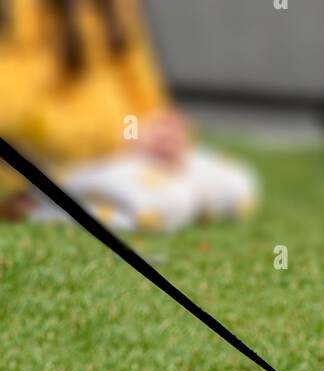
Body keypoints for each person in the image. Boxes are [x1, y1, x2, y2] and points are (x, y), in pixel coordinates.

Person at [0, 0, 258, 230]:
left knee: (236, 185)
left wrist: (163, 130)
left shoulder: (116, 6)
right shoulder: (23, 9)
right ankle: (40, 208)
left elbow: (143, 87)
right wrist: (118, 137)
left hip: (125, 150)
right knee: (167, 203)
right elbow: (14, 110)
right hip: (59, 160)